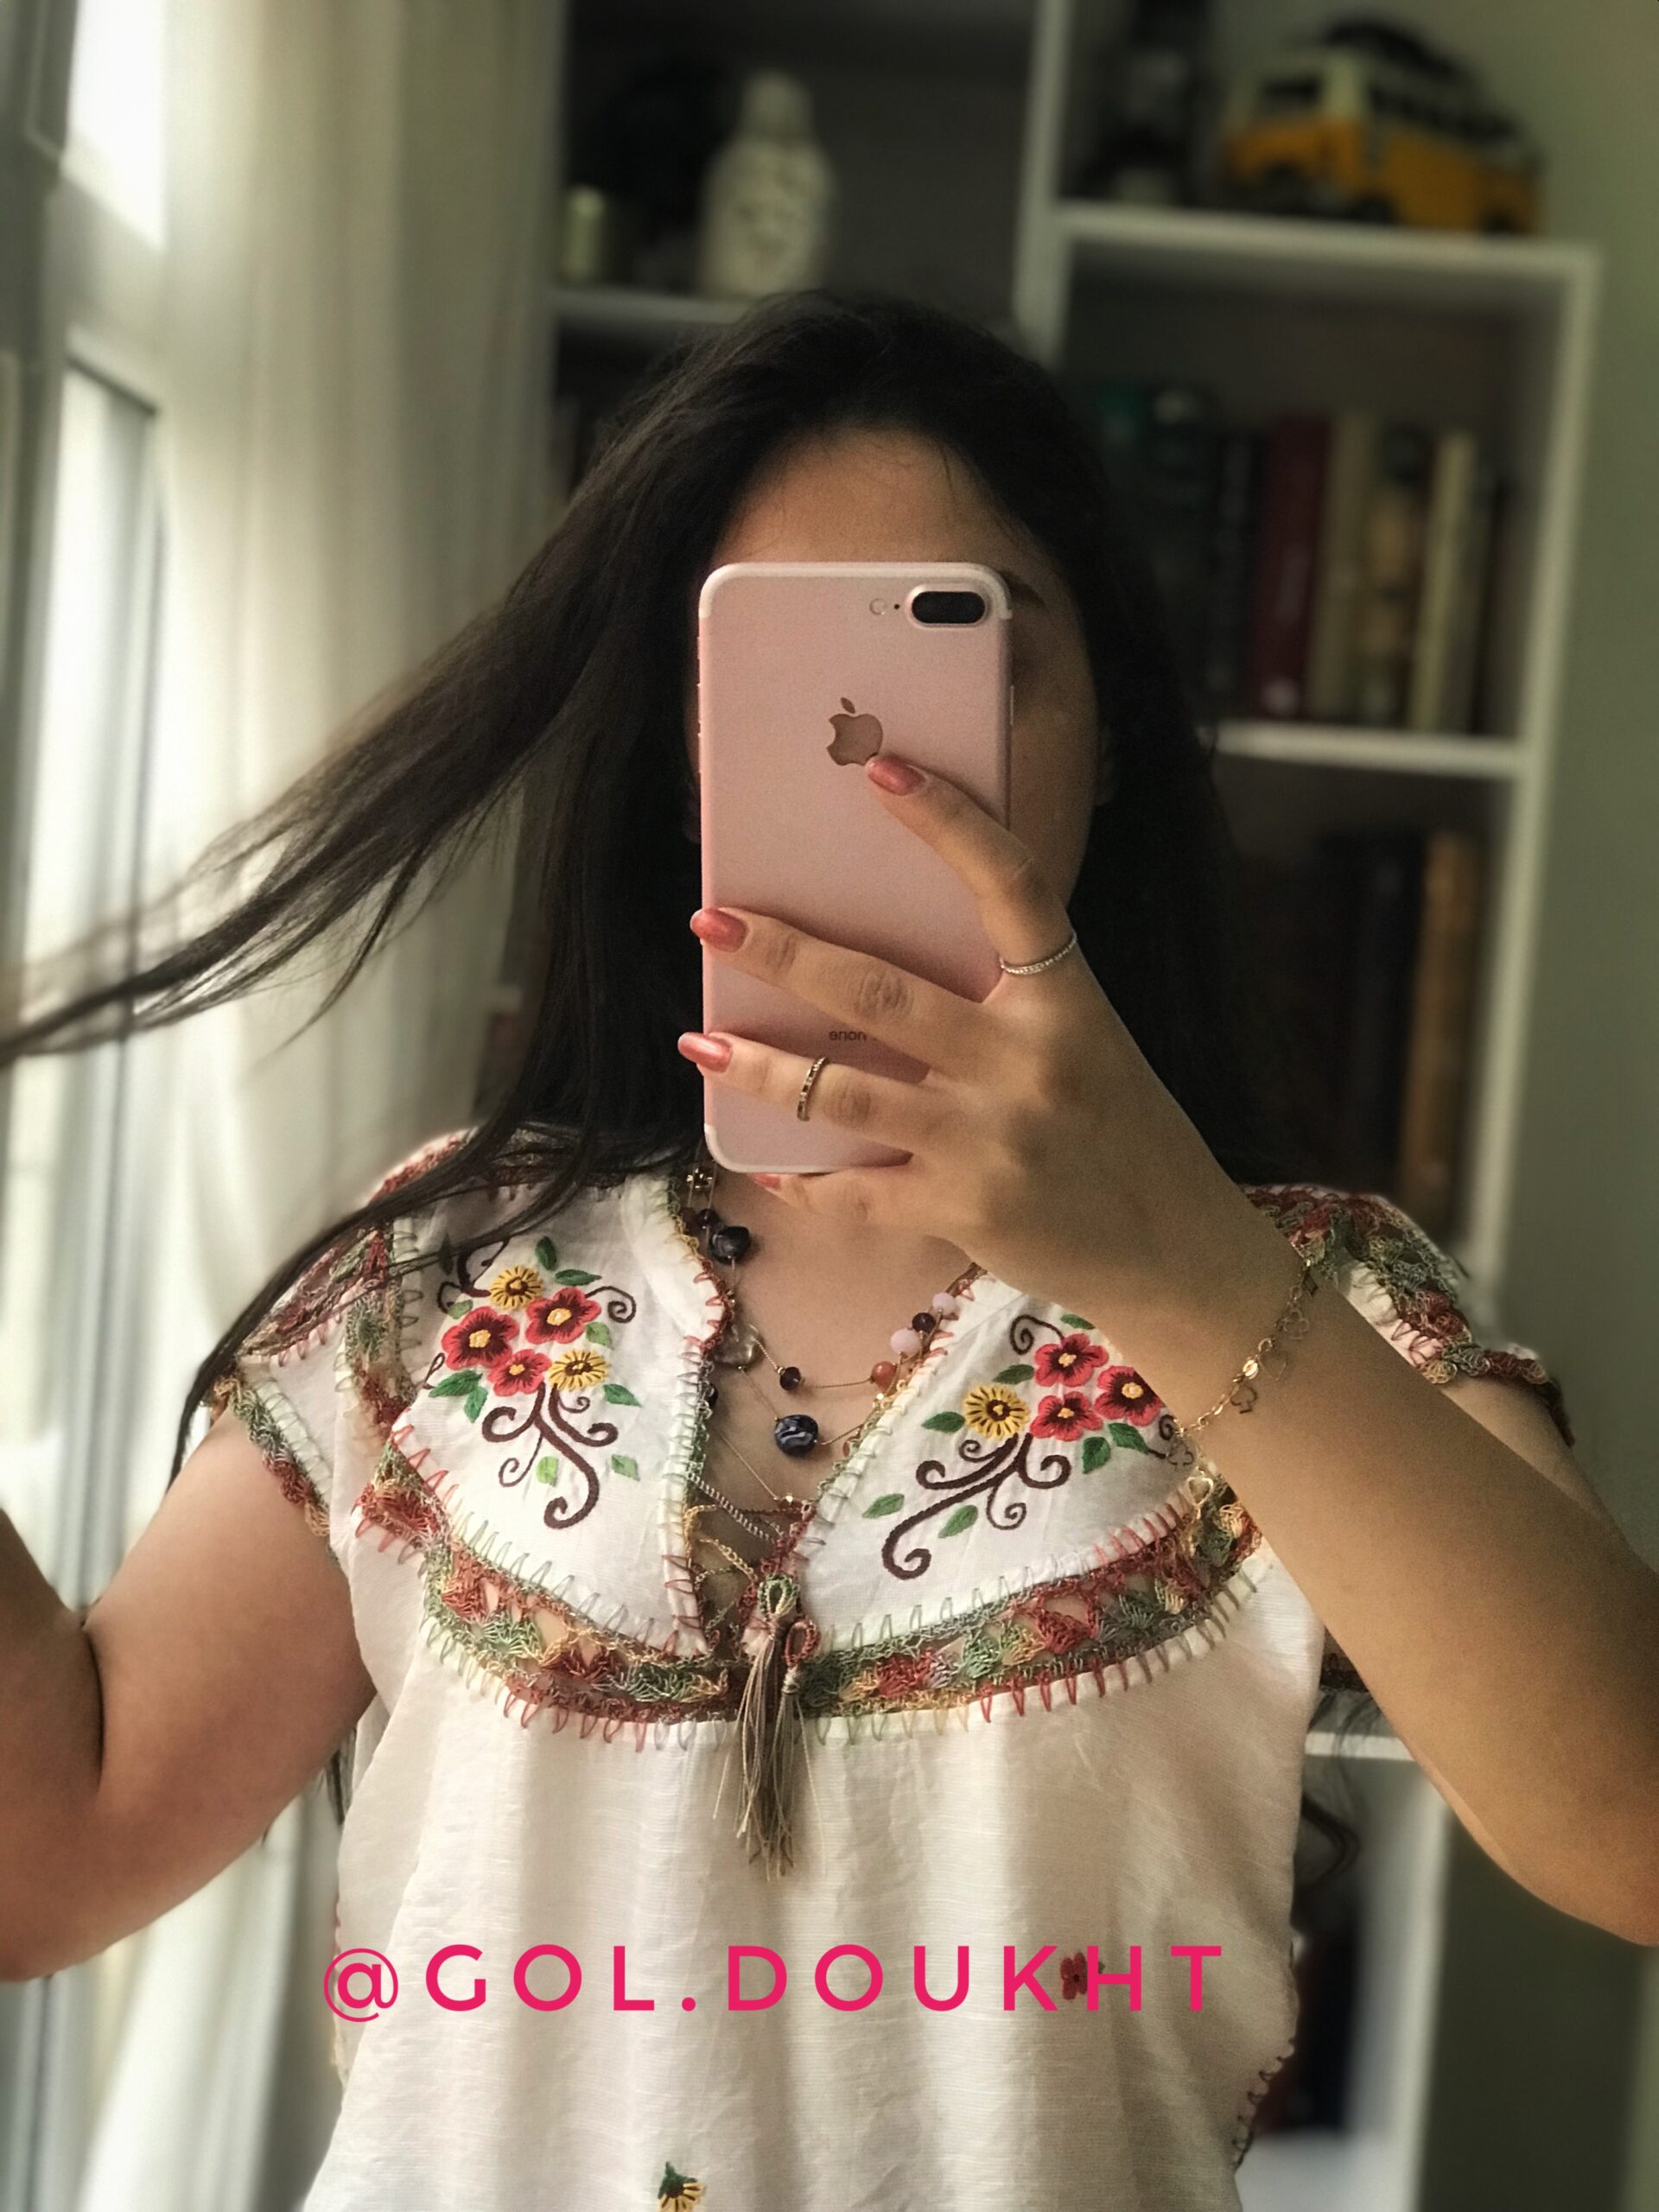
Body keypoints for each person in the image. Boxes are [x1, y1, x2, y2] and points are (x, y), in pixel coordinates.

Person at [2, 290, 1656, 2211]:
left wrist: (1178, 1263)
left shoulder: (1314, 1289)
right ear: (679, 757)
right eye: (774, 673)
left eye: (958, 654)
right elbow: (52, 1850)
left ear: (1113, 729)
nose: (881, 763)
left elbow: (1629, 1829)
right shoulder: (447, 1275)